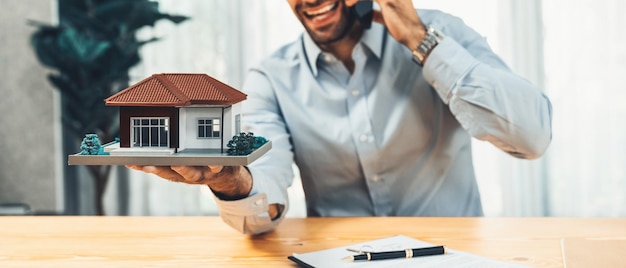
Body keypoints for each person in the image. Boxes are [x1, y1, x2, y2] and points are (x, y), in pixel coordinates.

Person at [128, 0, 552, 235]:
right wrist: (228, 179)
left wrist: (422, 43)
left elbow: (531, 137)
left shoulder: (437, 32)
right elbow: (263, 189)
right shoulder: (272, 77)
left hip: (451, 257)